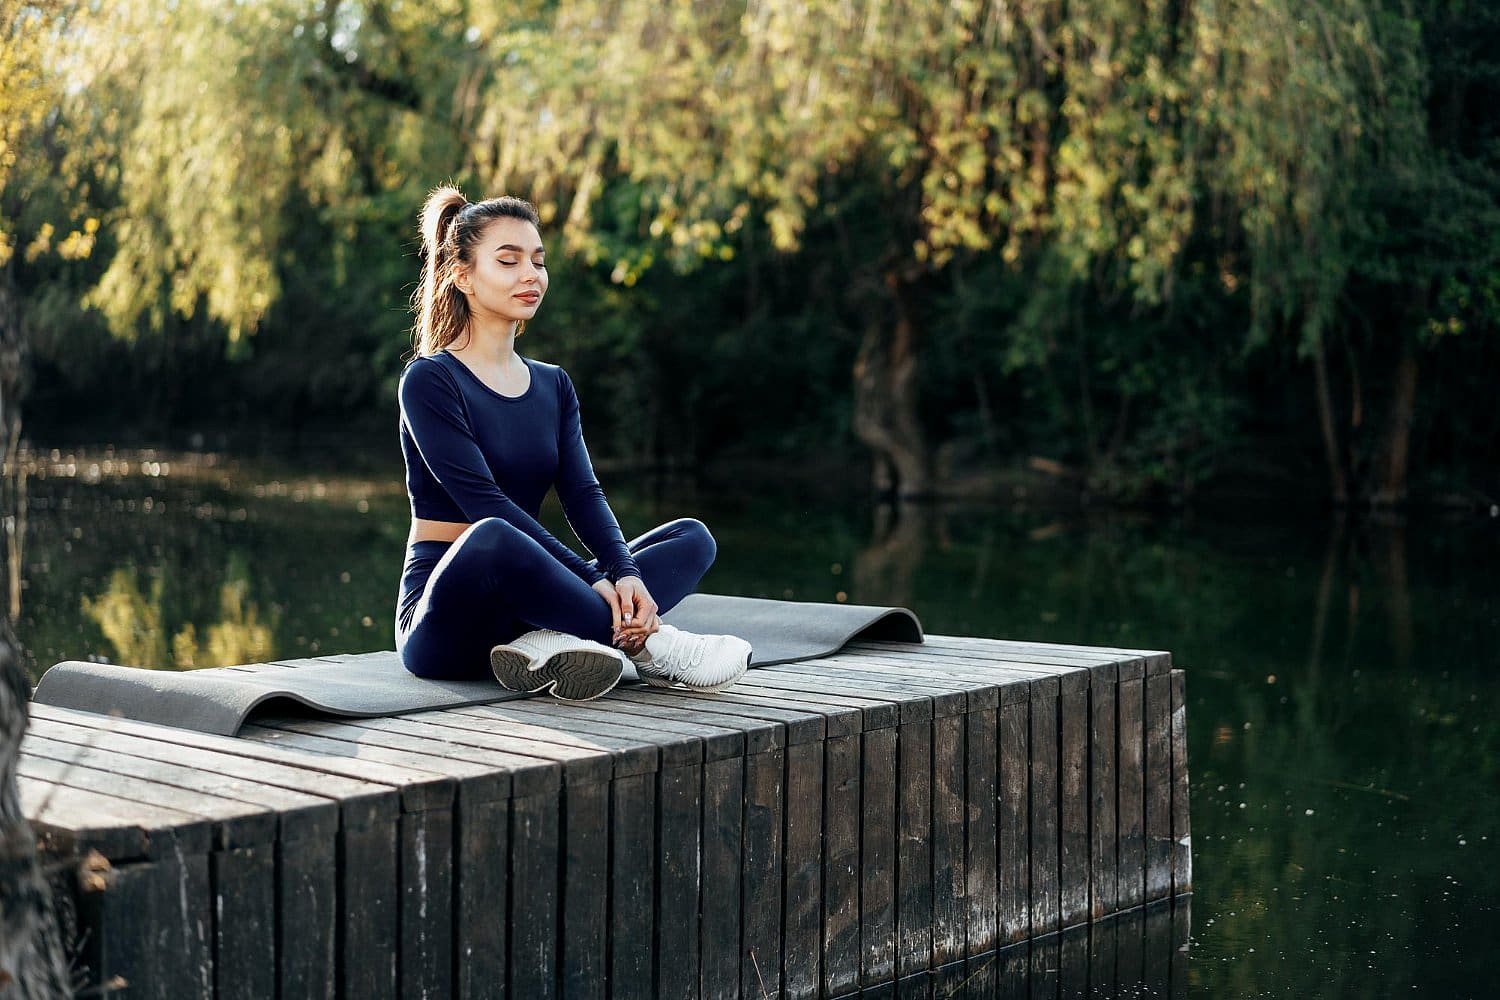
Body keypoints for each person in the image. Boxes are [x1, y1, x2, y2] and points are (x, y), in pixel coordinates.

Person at [395, 186, 750, 700]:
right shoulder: (430, 380)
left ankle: (551, 637)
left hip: (530, 600)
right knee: (493, 533)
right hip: (448, 615)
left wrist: (623, 572)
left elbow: (583, 494)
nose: (530, 276)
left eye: (538, 262)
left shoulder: (552, 384)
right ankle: (655, 648)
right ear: (462, 276)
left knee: (692, 538)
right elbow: (483, 503)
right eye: (509, 261)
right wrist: (591, 578)